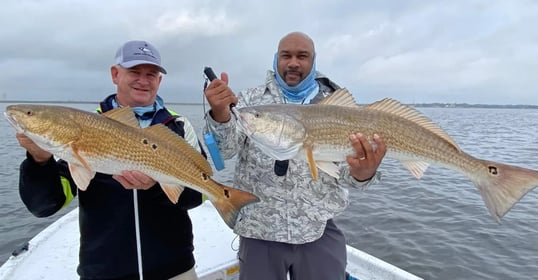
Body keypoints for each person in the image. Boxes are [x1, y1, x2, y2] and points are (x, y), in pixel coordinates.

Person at [203, 31, 387, 280]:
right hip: (259, 231)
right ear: (275, 59)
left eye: (303, 56)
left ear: (313, 61)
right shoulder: (249, 102)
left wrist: (363, 174)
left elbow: (345, 174)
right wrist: (220, 115)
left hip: (319, 229)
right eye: (285, 55)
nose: (293, 62)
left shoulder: (338, 105)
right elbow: (225, 151)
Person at [16, 40, 203, 280]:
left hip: (175, 269)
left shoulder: (178, 126)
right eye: (134, 72)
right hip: (106, 272)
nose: (143, 80)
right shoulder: (83, 128)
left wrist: (155, 184)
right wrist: (39, 162)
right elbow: (45, 206)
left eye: (151, 74)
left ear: (159, 81)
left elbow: (198, 195)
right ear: (115, 74)